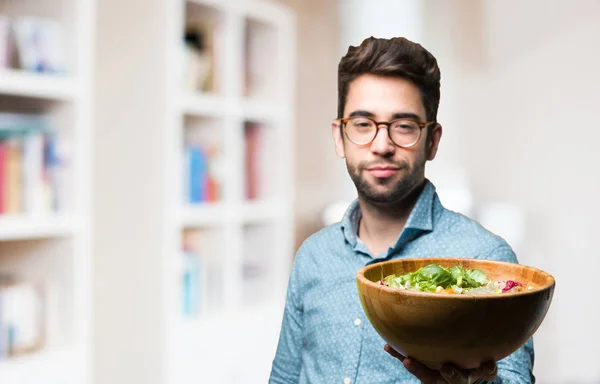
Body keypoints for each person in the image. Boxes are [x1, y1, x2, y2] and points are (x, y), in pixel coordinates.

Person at [269, 36, 535, 384]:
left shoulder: (487, 259)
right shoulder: (313, 256)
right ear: (339, 137)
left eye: (404, 126)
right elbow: (285, 377)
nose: (382, 145)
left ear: (433, 141)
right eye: (363, 124)